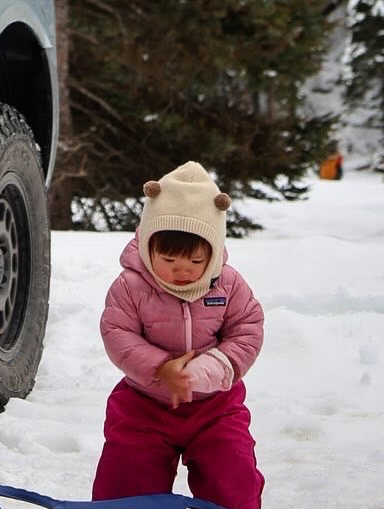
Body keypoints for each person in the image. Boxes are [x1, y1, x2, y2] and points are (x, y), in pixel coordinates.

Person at [93, 160, 266, 509]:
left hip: (215, 405)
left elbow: (247, 329)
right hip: (144, 403)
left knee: (233, 473)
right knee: (126, 479)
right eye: (169, 260)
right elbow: (117, 332)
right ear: (148, 247)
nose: (182, 271)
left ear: (213, 253)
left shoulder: (228, 284)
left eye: (196, 261)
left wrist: (206, 369)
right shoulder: (131, 286)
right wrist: (161, 368)